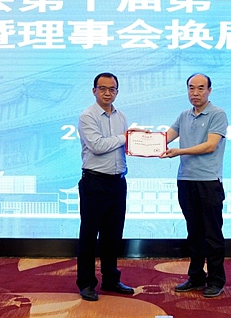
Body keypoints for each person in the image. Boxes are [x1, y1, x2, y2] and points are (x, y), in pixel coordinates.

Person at [161, 73, 228, 298]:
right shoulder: (184, 115)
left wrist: (180, 151)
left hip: (208, 182)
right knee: (194, 233)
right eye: (191, 88)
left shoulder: (217, 114)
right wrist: (139, 142)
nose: (195, 93)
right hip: (186, 181)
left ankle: (216, 280)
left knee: (212, 234)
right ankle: (196, 276)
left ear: (209, 90)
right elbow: (164, 138)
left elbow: (210, 146)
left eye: (200, 88)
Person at [75, 72, 134, 301]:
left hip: (117, 182)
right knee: (89, 235)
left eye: (112, 89)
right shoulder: (87, 116)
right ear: (94, 91)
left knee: (113, 235)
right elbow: (98, 146)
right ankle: (86, 283)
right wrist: (125, 138)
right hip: (95, 182)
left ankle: (111, 279)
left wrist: (141, 142)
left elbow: (125, 147)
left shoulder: (122, 116)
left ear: (117, 92)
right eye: (103, 88)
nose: (108, 93)